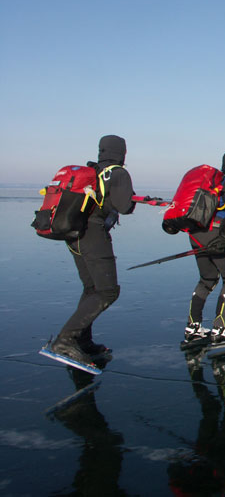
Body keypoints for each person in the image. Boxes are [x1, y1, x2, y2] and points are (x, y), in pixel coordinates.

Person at [50, 135, 135, 365]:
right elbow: (124, 206)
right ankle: (66, 339)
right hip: (93, 234)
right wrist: (133, 201)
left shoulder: (94, 171)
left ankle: (82, 341)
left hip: (74, 234)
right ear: (122, 152)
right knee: (108, 292)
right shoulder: (117, 172)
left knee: (91, 289)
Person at [184, 150, 225, 345]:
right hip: (218, 234)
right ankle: (220, 330)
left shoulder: (212, 180)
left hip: (196, 232)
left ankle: (193, 326)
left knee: (207, 278)